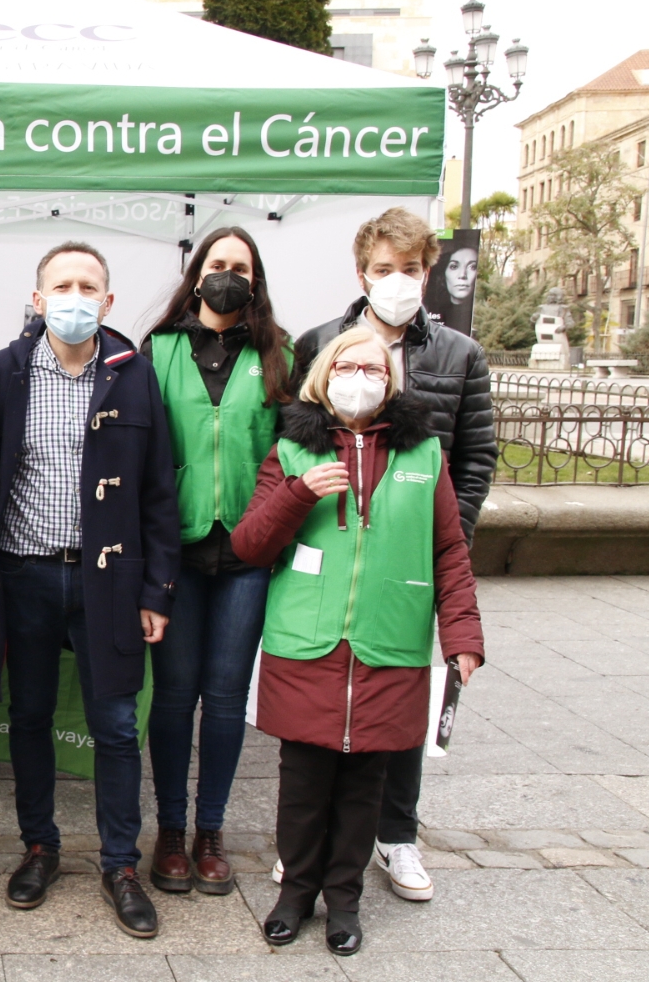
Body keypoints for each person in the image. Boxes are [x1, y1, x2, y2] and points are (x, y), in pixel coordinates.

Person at [232, 323, 484, 956]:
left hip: (388, 641)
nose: (359, 379)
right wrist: (297, 494)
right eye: (346, 366)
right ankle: (295, 894)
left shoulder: (425, 454)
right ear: (323, 376)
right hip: (307, 641)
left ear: (391, 381)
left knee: (365, 783)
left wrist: (462, 635)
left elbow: (449, 547)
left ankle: (345, 900)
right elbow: (250, 544)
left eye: (373, 369)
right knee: (304, 781)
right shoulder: (294, 449)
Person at [290, 206, 495, 904]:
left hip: (413, 558)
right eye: (384, 270)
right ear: (362, 273)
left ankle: (397, 834)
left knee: (402, 701)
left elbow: (474, 458)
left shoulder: (459, 354)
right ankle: (309, 846)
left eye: (410, 270)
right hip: (334, 551)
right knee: (327, 700)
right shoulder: (321, 342)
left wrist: (445, 546)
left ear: (427, 273)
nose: (397, 281)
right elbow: (297, 432)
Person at [0, 242, 179, 938]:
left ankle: (120, 863)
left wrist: (157, 590)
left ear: (109, 302)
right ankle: (40, 846)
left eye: (87, 286)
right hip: (25, 575)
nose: (74, 298)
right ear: (36, 300)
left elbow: (158, 493)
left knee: (117, 728)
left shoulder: (133, 377)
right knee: (29, 717)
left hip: (110, 582)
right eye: (60, 286)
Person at [141, 227, 292, 897]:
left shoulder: (278, 355)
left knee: (226, 698)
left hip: (246, 553)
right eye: (217, 263)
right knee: (173, 697)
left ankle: (211, 829)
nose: (228, 275)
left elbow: (289, 454)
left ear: (254, 281)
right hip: (175, 549)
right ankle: (170, 831)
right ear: (196, 272)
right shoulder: (159, 350)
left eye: (240, 267)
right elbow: (139, 450)